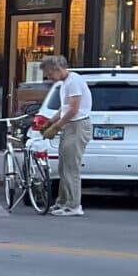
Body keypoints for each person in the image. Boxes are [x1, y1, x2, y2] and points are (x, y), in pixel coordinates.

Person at [41, 55, 92, 217]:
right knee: (63, 167)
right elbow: (64, 108)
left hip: (77, 125)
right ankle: (62, 202)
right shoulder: (64, 83)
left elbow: (73, 109)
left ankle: (74, 205)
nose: (49, 78)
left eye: (49, 74)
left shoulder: (73, 82)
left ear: (58, 69)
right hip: (70, 126)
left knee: (71, 167)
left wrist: (56, 127)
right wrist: (49, 122)